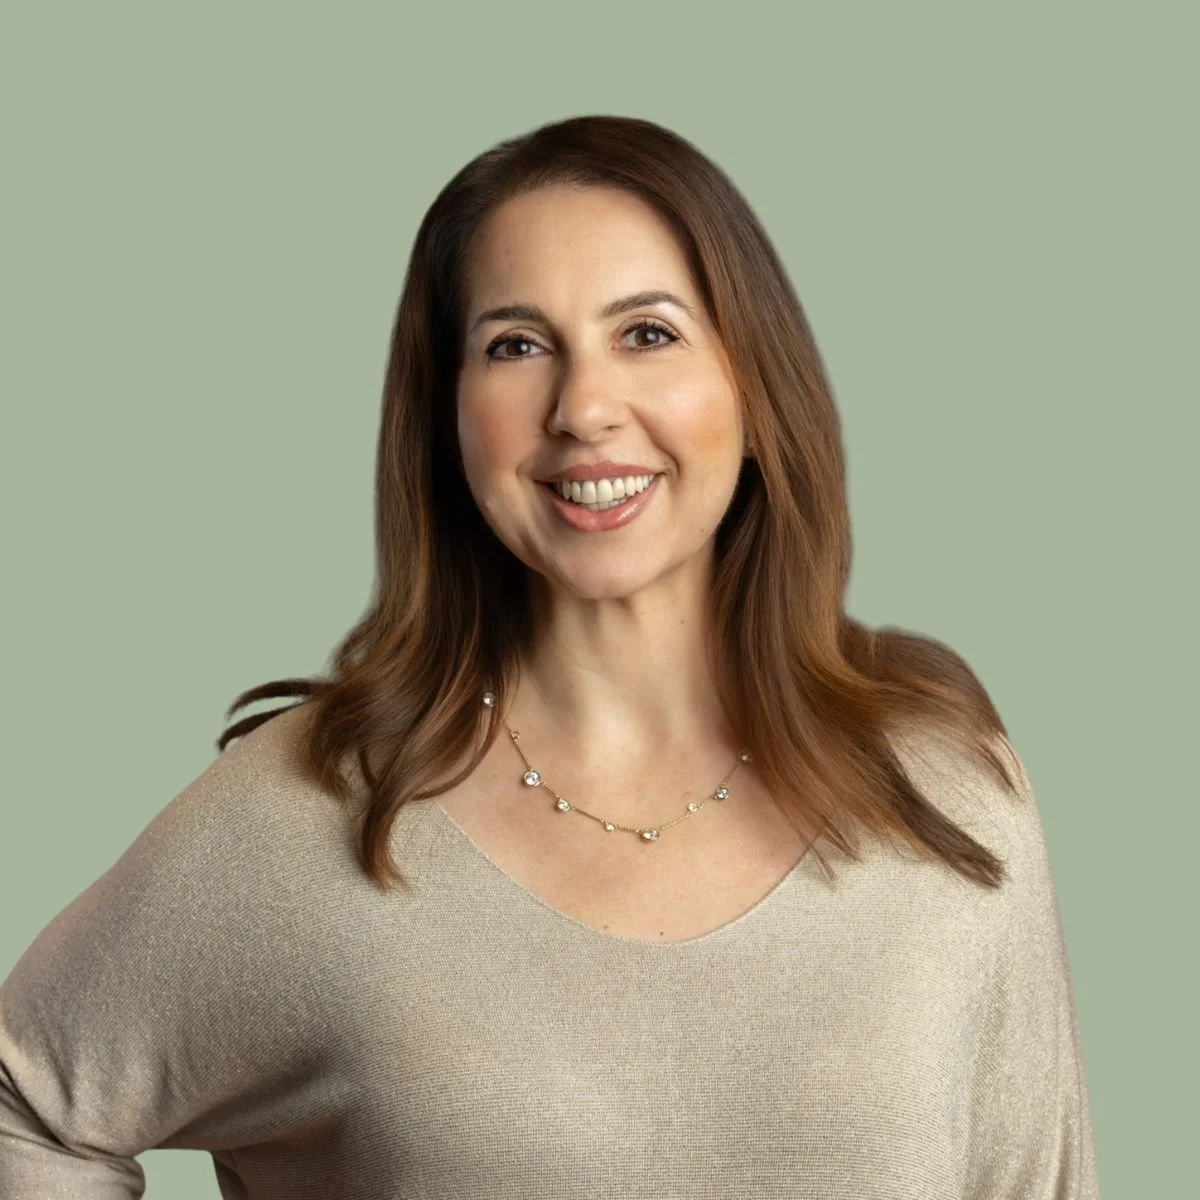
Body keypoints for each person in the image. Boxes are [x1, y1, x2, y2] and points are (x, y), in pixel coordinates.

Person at [0, 114, 1099, 1198]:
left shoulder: (943, 788)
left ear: (755, 393)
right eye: (516, 347)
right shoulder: (309, 821)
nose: (583, 409)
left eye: (649, 334)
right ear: (449, 419)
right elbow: (27, 1106)